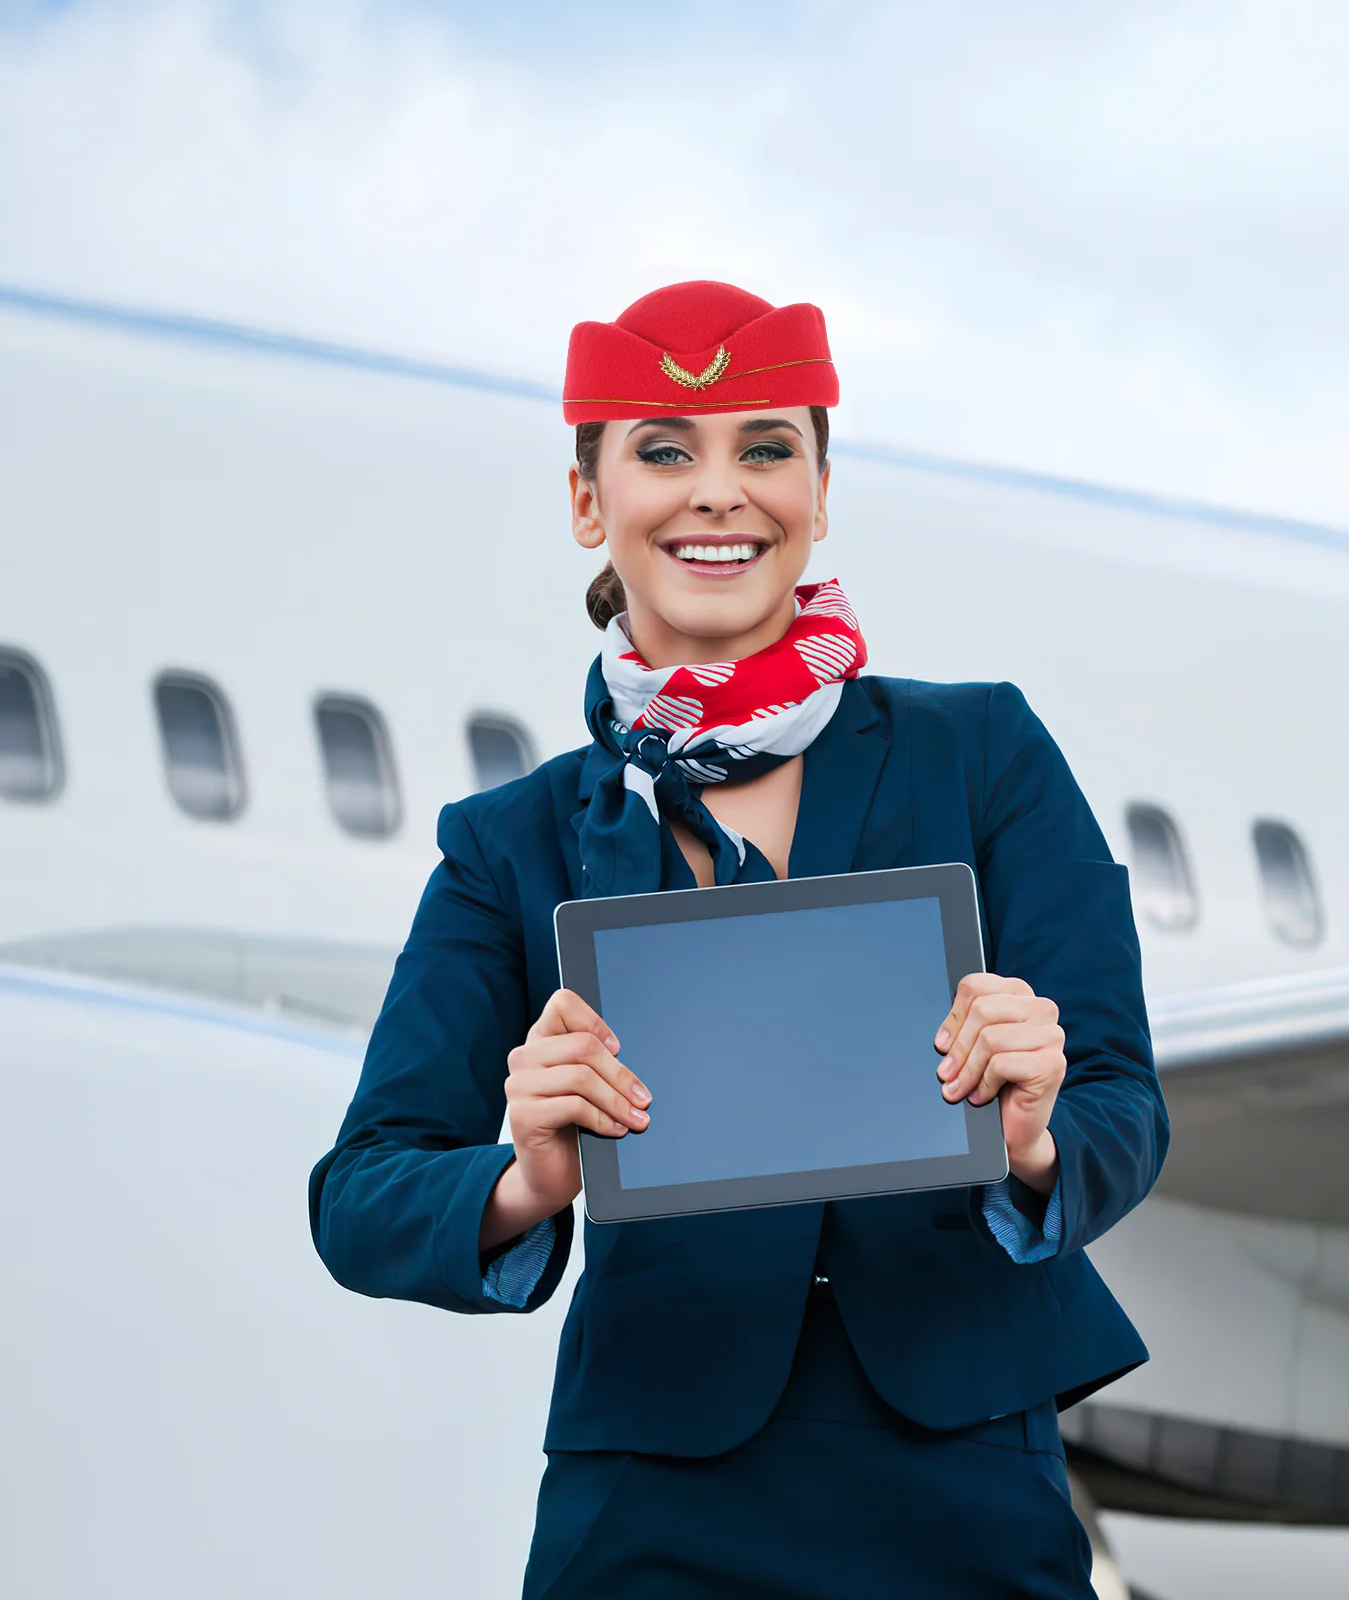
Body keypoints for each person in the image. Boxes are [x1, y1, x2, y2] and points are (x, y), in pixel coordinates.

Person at [310, 281, 1168, 1599]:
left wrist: (1041, 1136)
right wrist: (527, 1175)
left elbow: (1125, 1106)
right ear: (590, 501)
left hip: (962, 1480)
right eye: (665, 449)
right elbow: (361, 1193)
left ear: (820, 490)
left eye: (765, 448)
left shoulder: (984, 753)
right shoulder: (510, 843)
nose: (720, 492)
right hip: (655, 1489)